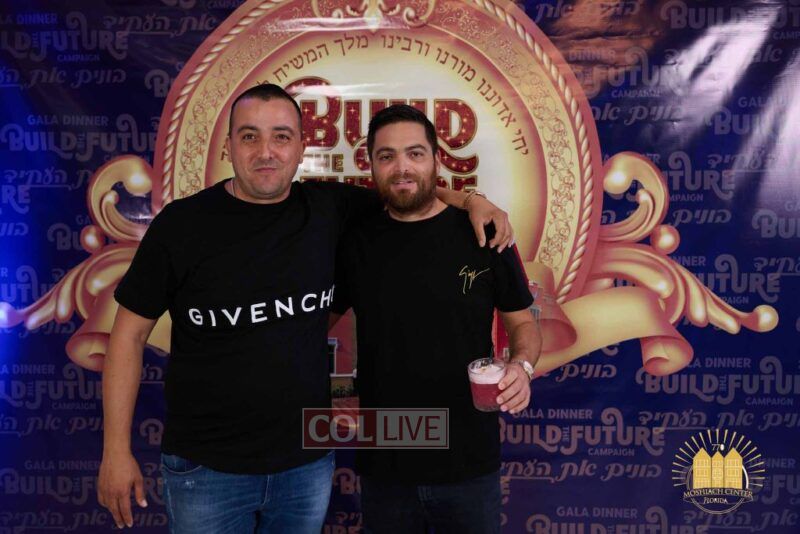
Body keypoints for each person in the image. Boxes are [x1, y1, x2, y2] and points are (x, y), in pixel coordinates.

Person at [96, 84, 515, 533]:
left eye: (281, 136)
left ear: (301, 148)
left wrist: (472, 200)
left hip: (304, 466)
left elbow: (408, 189)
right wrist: (115, 451)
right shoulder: (181, 226)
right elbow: (128, 336)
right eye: (249, 136)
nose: (266, 152)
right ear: (228, 146)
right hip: (207, 468)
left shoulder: (330, 207)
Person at [330, 104, 542, 533]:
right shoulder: (355, 241)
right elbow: (314, 323)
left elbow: (523, 324)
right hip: (385, 466)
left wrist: (521, 367)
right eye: (386, 156)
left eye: (415, 153)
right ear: (370, 165)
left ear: (436, 160)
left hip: (469, 464)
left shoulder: (484, 234)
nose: (402, 167)